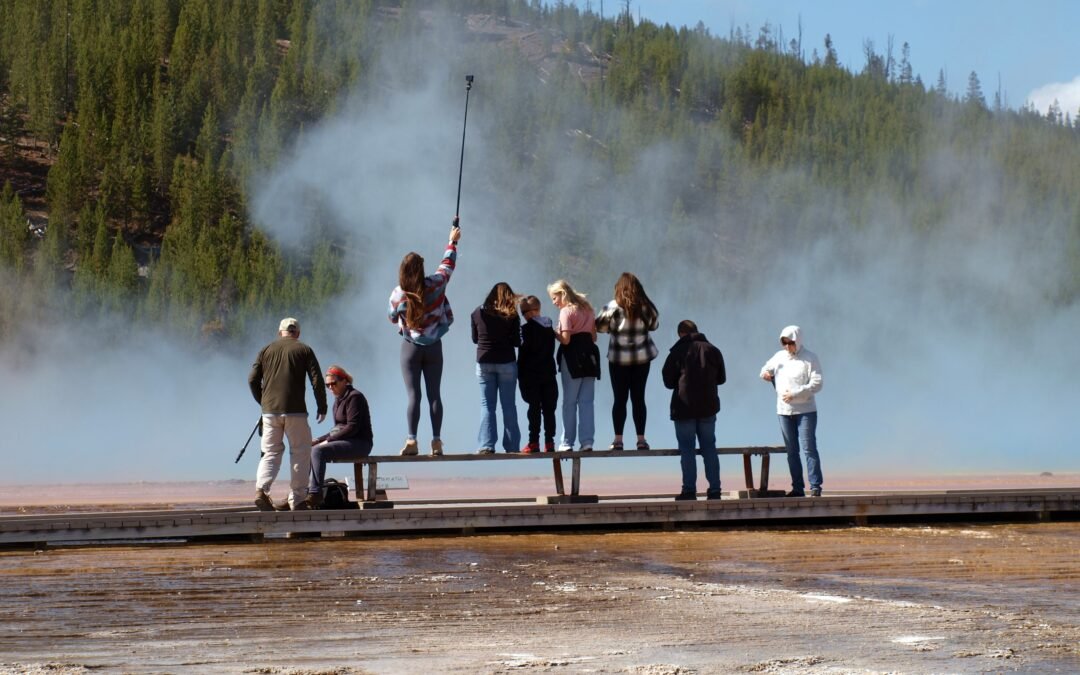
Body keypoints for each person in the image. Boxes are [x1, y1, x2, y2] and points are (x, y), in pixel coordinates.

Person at [388, 219, 461, 456]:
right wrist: (452, 241)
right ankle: (437, 441)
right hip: (434, 347)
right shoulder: (436, 285)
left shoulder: (399, 294)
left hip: (410, 347)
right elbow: (447, 266)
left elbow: (391, 317)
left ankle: (411, 441)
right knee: (434, 395)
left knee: (413, 395)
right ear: (420, 270)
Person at [248, 317, 327, 511]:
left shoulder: (266, 350)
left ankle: (261, 491)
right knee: (300, 453)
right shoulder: (304, 350)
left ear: (279, 332)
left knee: (271, 452)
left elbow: (252, 379)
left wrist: (263, 401)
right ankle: (298, 500)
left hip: (270, 412)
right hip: (296, 412)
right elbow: (316, 380)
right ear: (297, 333)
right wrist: (322, 406)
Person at [661, 320, 726, 501]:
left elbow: (667, 382)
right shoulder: (713, 350)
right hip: (708, 407)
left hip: (684, 407)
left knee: (687, 449)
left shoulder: (677, 352)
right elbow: (721, 379)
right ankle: (715, 490)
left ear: (680, 334)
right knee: (709, 447)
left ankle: (689, 491)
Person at [595, 272, 660, 451]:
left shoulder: (612, 306)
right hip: (642, 359)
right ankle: (641, 439)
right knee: (639, 398)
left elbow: (599, 327)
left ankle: (618, 440)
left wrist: (613, 329)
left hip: (618, 360)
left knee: (619, 399)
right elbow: (654, 325)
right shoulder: (646, 306)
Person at [760, 325, 824, 497]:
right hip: (784, 411)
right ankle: (797, 487)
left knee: (809, 448)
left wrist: (795, 393)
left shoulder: (810, 358)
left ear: (798, 340)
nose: (788, 347)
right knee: (791, 451)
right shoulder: (779, 357)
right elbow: (764, 369)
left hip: (806, 411)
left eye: (791, 343)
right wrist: (766, 374)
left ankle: (815, 486)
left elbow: (817, 384)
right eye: (784, 343)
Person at [306, 365, 373, 509]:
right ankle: (301, 492)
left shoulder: (355, 397)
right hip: (346, 440)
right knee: (311, 448)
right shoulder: (338, 400)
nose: (330, 387)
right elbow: (337, 429)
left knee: (318, 451)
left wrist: (327, 441)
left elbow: (352, 427)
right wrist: (318, 439)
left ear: (344, 381)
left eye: (333, 383)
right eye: (327, 385)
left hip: (360, 443)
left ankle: (315, 493)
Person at [547, 279, 600, 452]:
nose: (554, 303)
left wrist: (553, 332)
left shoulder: (566, 311)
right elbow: (594, 338)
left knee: (569, 402)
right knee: (587, 402)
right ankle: (587, 442)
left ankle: (567, 442)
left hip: (572, 359)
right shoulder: (588, 309)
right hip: (590, 358)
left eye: (554, 298)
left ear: (562, 294)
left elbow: (566, 340)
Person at [471, 282, 522, 453]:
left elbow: (475, 339)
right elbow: (516, 342)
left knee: (487, 405)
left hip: (484, 363)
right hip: (506, 363)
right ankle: (512, 446)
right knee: (509, 405)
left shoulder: (477, 312)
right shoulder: (512, 315)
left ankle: (486, 445)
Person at [517, 295, 558, 453]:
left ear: (530, 312)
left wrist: (519, 375)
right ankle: (550, 442)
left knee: (533, 408)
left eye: (523, 312)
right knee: (549, 410)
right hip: (549, 374)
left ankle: (534, 442)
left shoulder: (525, 330)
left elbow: (523, 354)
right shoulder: (549, 327)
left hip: (531, 375)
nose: (523, 316)